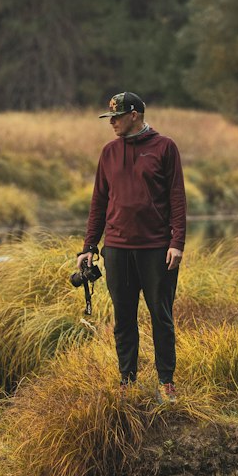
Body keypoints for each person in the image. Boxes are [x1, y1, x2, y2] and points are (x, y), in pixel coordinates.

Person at [77, 91, 186, 399]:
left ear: (134, 115)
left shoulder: (165, 147)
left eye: (117, 116)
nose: (111, 121)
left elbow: (177, 197)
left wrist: (177, 242)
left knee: (160, 316)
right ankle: (127, 381)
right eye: (110, 116)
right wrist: (89, 246)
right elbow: (98, 201)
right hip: (117, 249)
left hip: (156, 249)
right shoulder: (109, 152)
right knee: (123, 318)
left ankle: (167, 381)